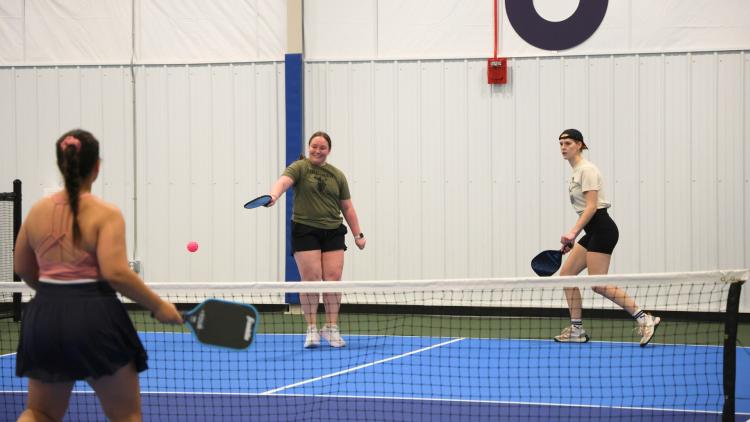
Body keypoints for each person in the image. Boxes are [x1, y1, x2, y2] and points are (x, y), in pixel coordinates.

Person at [13, 129, 183, 422]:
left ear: (60, 165)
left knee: (39, 412)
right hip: (95, 316)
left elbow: (23, 268)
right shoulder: (106, 213)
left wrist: (54, 294)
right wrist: (158, 305)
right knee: (125, 415)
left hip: (44, 316)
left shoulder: (36, 212)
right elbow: (115, 272)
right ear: (97, 166)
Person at [554, 128, 660, 347]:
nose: (564, 147)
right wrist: (575, 236)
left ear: (580, 145)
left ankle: (644, 318)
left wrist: (573, 232)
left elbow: (592, 206)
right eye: (561, 143)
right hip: (592, 230)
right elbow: (585, 210)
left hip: (603, 228)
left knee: (598, 284)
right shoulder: (575, 172)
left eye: (569, 143)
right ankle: (576, 329)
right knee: (566, 276)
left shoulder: (587, 170)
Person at [266, 131, 366, 349]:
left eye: (322, 147)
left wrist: (358, 234)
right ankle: (311, 329)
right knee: (311, 280)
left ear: (328, 150)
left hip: (332, 231)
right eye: (314, 146)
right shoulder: (300, 168)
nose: (317, 150)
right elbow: (283, 182)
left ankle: (331, 328)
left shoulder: (337, 175)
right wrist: (273, 195)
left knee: (333, 279)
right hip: (305, 230)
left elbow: (347, 206)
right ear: (309, 147)